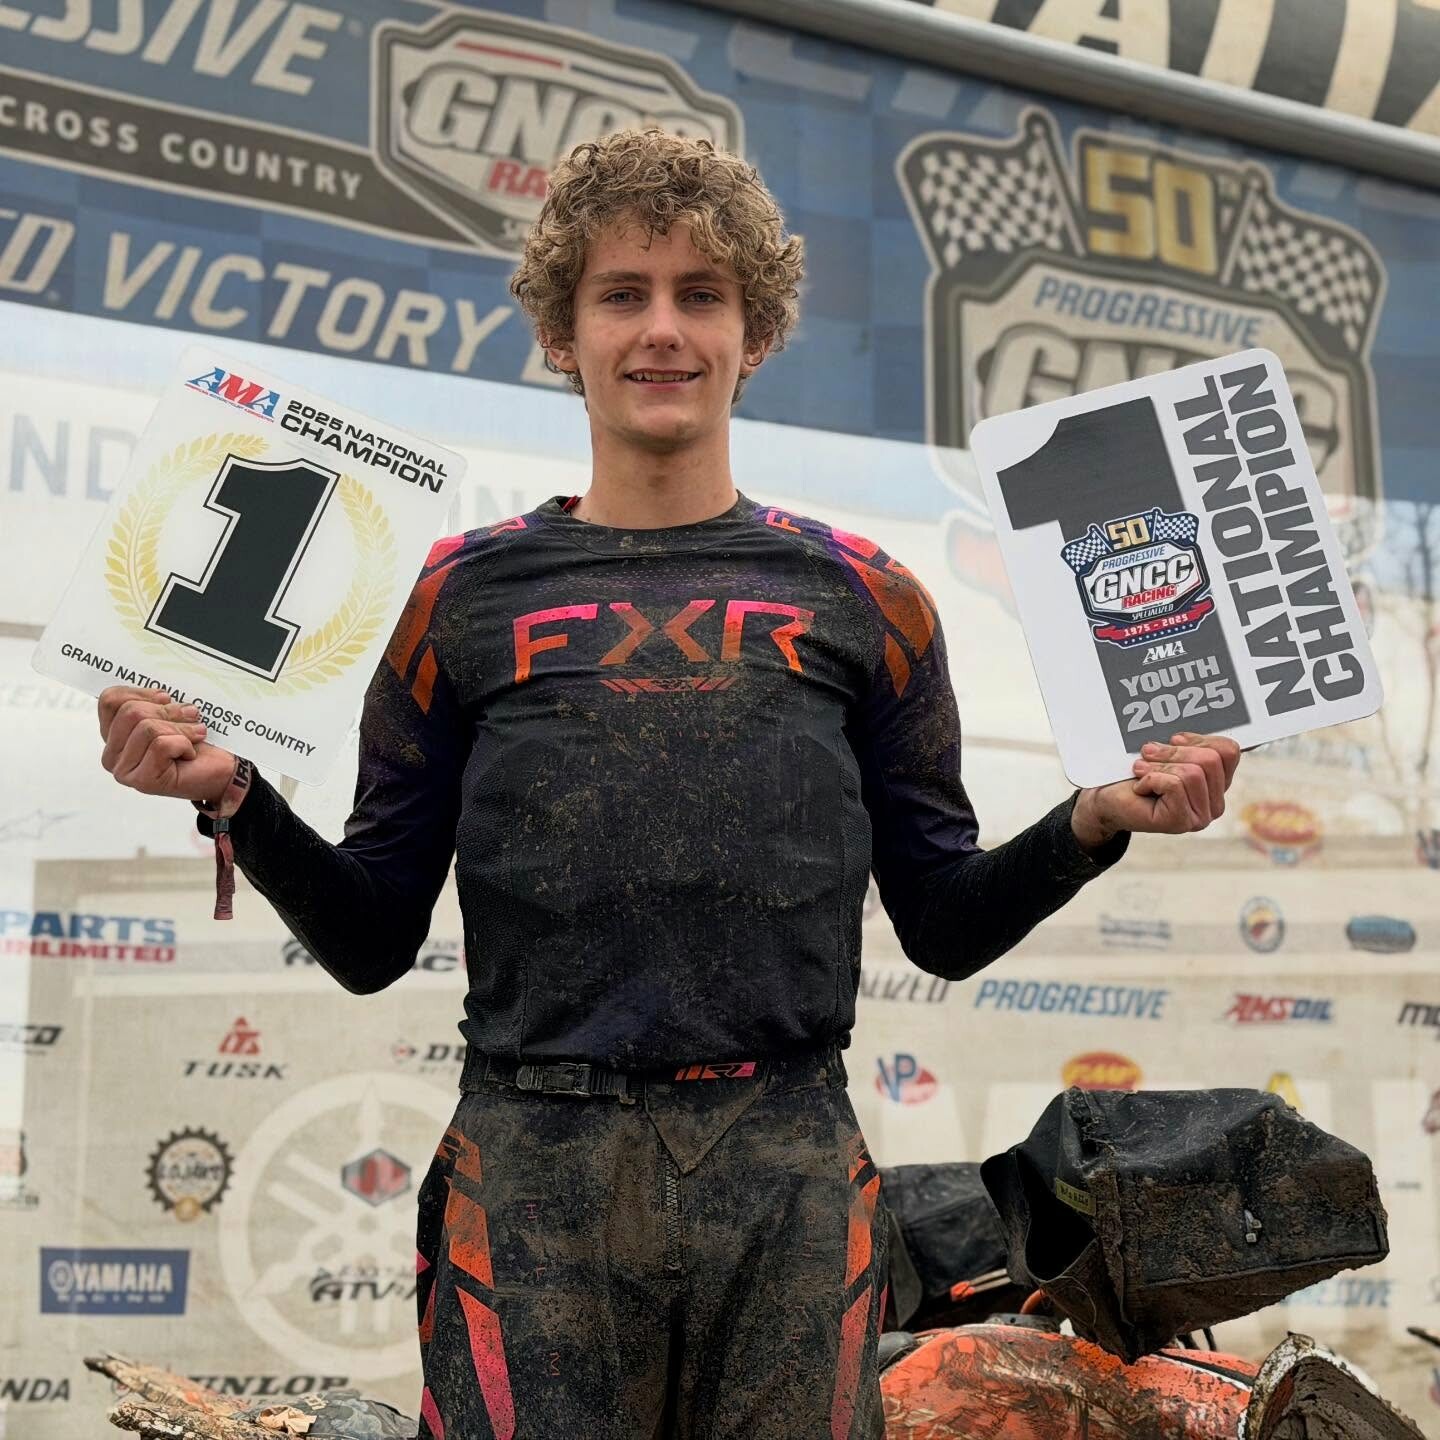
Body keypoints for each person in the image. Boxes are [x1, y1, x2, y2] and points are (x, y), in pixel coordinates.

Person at [95, 129, 1241, 1439]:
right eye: (622, 294)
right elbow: (368, 938)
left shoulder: (868, 601)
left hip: (791, 1162)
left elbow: (947, 922)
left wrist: (1095, 822)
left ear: (753, 337)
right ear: (560, 333)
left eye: (703, 296)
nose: (663, 330)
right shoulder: (458, 599)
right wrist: (235, 795)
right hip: (530, 1167)